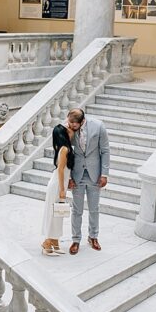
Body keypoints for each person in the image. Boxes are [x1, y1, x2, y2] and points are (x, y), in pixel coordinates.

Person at [65, 107, 110, 254]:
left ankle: (93, 237)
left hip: (94, 174)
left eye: (74, 125)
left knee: (94, 208)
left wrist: (104, 174)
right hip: (77, 174)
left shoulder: (98, 126)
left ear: (82, 121)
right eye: (70, 124)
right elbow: (64, 153)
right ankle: (76, 239)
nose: (71, 127)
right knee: (77, 210)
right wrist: (68, 177)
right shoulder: (68, 128)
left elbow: (105, 150)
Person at [40, 124, 73, 256]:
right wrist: (62, 189)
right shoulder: (64, 149)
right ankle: (46, 243)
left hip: (58, 184)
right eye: (67, 130)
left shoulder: (63, 148)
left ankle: (55, 241)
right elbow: (60, 170)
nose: (70, 130)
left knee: (58, 214)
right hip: (57, 185)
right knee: (54, 214)